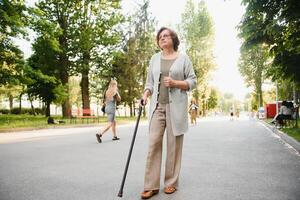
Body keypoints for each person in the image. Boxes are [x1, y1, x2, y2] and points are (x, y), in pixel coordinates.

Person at [140, 27, 197, 199]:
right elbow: (149, 83)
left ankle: (171, 183)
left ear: (173, 39)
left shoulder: (183, 58)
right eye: (160, 37)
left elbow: (192, 81)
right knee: (153, 143)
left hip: (176, 108)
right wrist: (145, 94)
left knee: (173, 147)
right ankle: (151, 185)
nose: (162, 38)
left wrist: (175, 83)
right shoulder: (154, 59)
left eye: (166, 36)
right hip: (157, 107)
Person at [96, 79, 121, 143]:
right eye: (116, 85)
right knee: (110, 123)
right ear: (114, 85)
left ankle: (114, 136)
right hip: (111, 109)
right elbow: (119, 99)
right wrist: (117, 92)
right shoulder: (114, 91)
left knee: (113, 122)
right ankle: (100, 134)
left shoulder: (106, 91)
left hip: (107, 108)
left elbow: (103, 101)